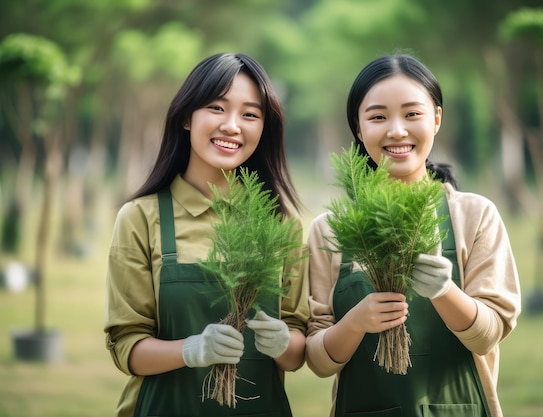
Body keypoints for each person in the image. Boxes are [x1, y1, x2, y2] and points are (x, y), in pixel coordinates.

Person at [306, 53, 521, 417]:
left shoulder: (474, 216)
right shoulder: (329, 231)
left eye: (412, 114)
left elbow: (488, 336)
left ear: (436, 119)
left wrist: (444, 290)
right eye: (377, 117)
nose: (396, 130)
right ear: (358, 129)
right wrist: (355, 321)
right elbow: (319, 362)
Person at [104, 52, 309, 417]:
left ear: (264, 128)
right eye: (217, 108)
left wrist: (283, 343)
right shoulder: (140, 218)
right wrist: (191, 349)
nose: (232, 126)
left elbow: (297, 351)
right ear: (186, 117)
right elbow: (126, 345)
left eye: (250, 114)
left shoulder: (282, 223)